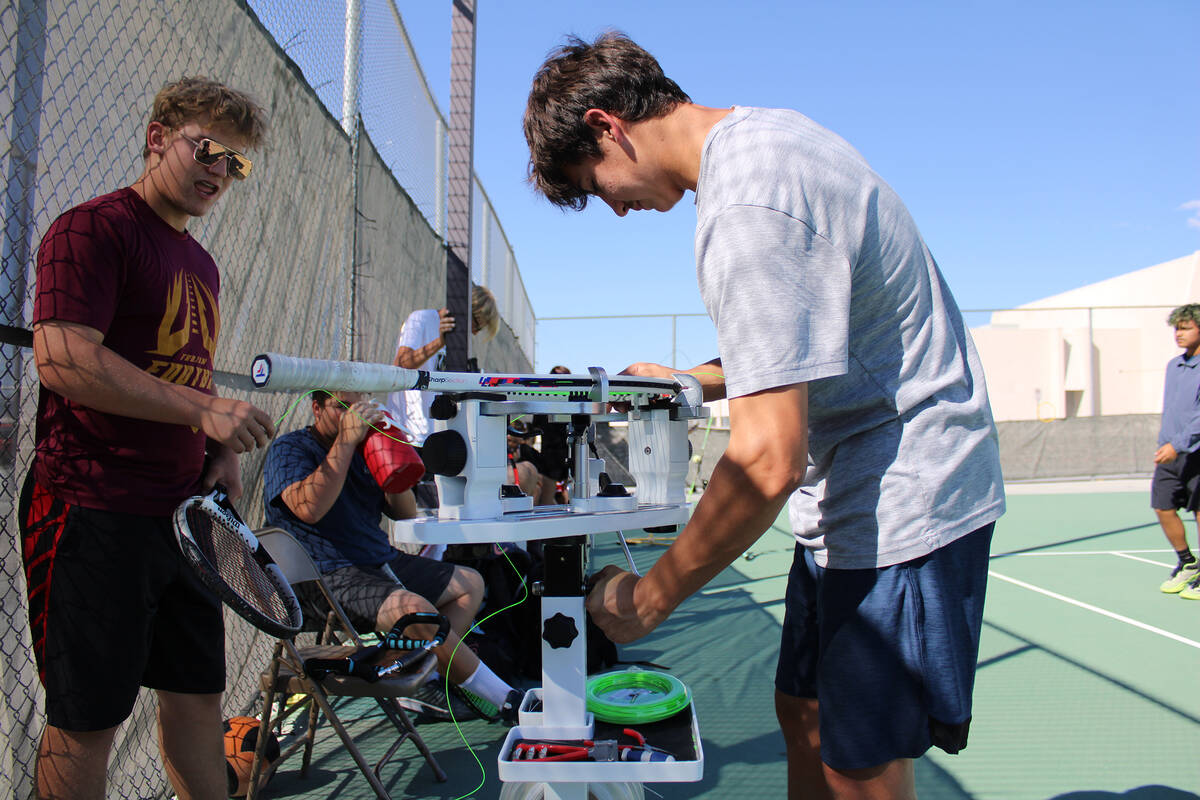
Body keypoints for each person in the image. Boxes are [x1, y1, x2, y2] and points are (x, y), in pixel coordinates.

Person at [524, 34, 1005, 800]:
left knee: (860, 760)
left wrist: (651, 597)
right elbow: (812, 337)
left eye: (599, 183)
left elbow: (764, 460)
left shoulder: (746, 206)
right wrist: (696, 380)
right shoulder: (765, 140)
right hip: (848, 499)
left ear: (607, 124)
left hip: (905, 497)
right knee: (803, 711)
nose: (615, 207)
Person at [20, 77, 274, 800]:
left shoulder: (202, 265)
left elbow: (182, 383)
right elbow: (63, 358)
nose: (219, 171)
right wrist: (202, 415)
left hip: (183, 522)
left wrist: (217, 449)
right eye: (207, 149)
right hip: (91, 508)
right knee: (85, 722)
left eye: (235, 163)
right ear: (158, 136)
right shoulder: (92, 229)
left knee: (196, 704)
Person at [261, 390, 523, 722]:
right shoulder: (292, 448)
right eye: (345, 406)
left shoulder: (361, 448)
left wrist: (392, 461)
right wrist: (345, 441)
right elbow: (308, 508)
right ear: (316, 407)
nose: (356, 414)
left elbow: (404, 513)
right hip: (324, 575)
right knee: (416, 613)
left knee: (469, 583)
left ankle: (422, 679)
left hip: (378, 561)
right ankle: (506, 700)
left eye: (362, 404)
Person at [1152, 304, 1200, 598]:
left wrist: (1178, 444)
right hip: (1169, 452)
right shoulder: (1174, 365)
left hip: (1195, 451)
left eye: (1185, 328)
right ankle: (1188, 563)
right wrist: (1165, 444)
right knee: (1162, 505)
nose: (1178, 334)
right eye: (1176, 329)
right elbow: (1172, 410)